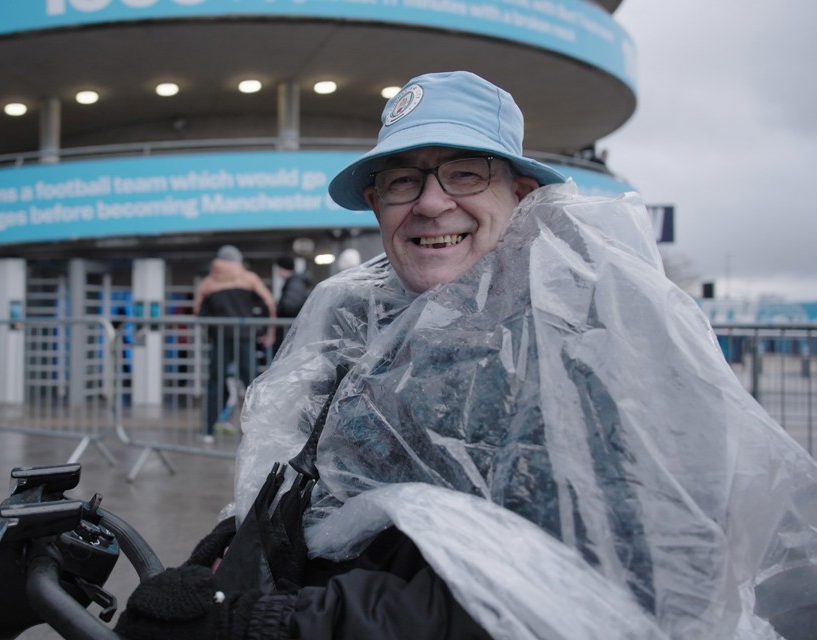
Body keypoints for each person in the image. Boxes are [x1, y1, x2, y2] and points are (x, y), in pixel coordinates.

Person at [115, 71, 817, 639]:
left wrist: (272, 623)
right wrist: (247, 539)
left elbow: (598, 594)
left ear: (523, 193)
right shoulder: (372, 329)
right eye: (402, 182)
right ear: (376, 204)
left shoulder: (600, 350)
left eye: (464, 174)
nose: (430, 203)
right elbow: (349, 502)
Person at [193, 245, 276, 442]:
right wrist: (268, 331)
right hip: (245, 337)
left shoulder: (209, 282)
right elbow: (268, 303)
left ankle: (207, 430)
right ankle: (257, 428)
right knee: (251, 383)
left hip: (221, 339)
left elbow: (199, 311)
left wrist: (210, 332)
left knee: (215, 383)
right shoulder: (249, 278)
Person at [272, 256, 312, 351]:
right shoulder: (296, 282)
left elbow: (289, 306)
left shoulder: (294, 283)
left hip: (290, 330)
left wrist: (278, 311)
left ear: (283, 268)